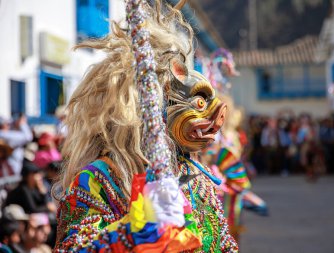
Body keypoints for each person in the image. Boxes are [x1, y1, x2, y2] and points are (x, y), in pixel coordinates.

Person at [53, 1, 237, 252]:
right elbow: (72, 249)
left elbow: (223, 244)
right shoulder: (99, 179)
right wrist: (130, 235)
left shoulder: (198, 178)